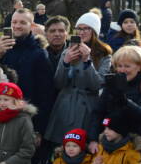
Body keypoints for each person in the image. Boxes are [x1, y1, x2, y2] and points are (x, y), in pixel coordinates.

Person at [0, 7, 53, 164]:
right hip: (5, 120)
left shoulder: (39, 54)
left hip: (29, 120)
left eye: (22, 22)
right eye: (14, 22)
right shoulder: (5, 50)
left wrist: (38, 129)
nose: (17, 26)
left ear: (31, 26)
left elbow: (45, 94)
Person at [46, 12, 110, 147]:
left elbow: (97, 85)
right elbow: (58, 83)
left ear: (94, 31)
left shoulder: (104, 55)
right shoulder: (68, 50)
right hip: (64, 108)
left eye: (86, 28)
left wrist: (88, 62)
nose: (81, 32)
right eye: (79, 28)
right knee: (62, 150)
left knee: (81, 148)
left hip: (87, 109)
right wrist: (65, 62)